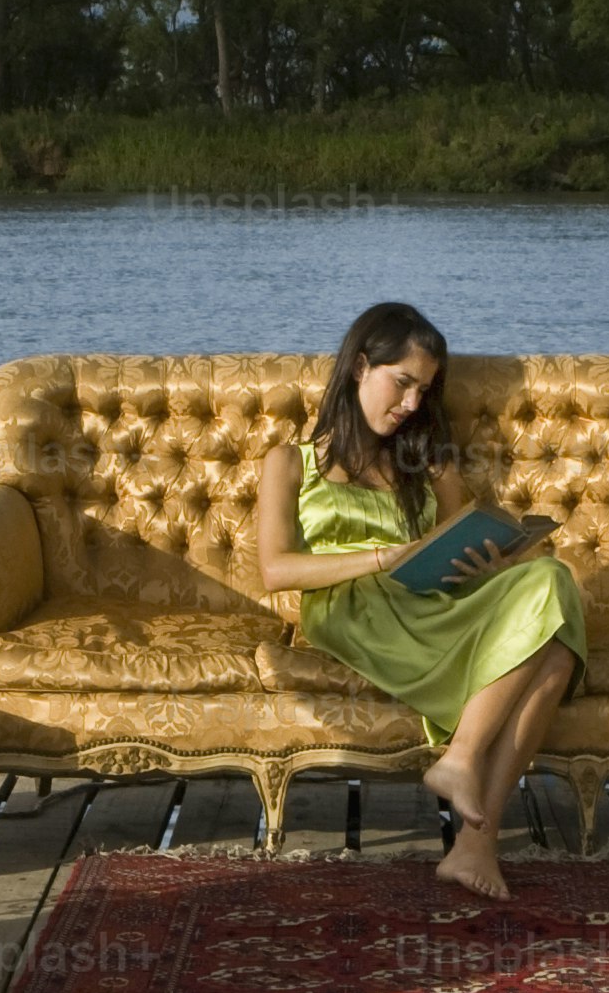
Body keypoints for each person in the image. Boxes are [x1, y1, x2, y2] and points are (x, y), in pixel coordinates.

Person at [250, 301, 588, 900]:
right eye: (401, 382)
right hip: (350, 607)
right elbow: (275, 571)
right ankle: (474, 820)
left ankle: (470, 825)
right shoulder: (290, 461)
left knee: (552, 597)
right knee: (553, 649)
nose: (410, 403)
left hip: (431, 598)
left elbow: (467, 533)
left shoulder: (426, 460)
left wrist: (494, 560)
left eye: (422, 390)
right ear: (359, 367)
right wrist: (383, 557)